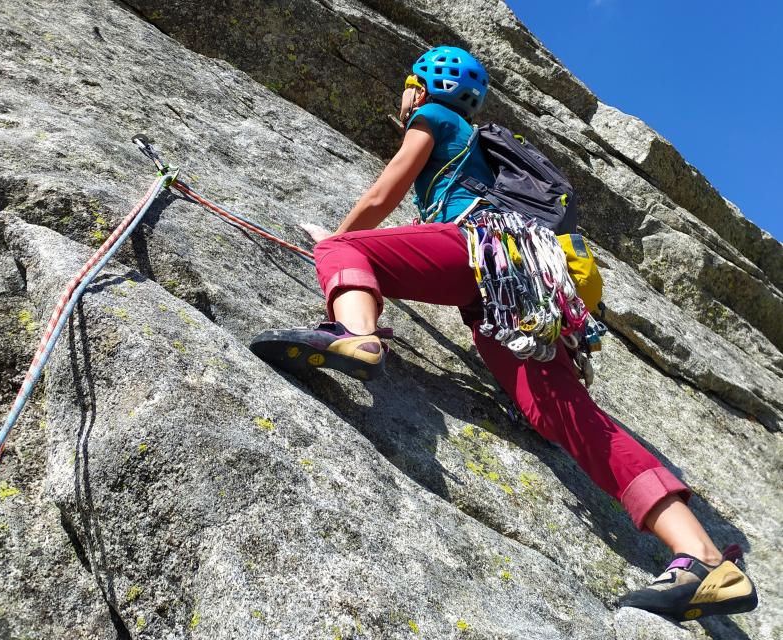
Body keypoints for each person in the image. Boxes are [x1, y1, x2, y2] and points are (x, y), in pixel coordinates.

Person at [250, 46, 758, 621]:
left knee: (343, 248)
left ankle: (354, 334)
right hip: (513, 282)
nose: (404, 98)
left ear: (423, 86)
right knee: (566, 418)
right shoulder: (475, 146)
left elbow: (382, 193)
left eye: (407, 86)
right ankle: (704, 557)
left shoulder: (436, 118)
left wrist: (333, 246)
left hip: (480, 250)